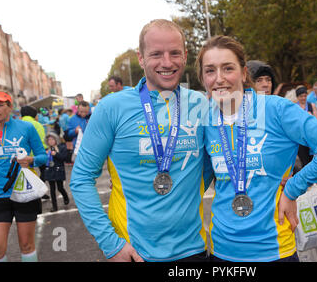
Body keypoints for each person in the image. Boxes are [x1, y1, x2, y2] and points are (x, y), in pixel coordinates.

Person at [196, 35, 317, 262]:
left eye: (228, 68)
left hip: (274, 250)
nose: (219, 79)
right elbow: (201, 177)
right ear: (202, 77)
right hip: (222, 251)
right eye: (210, 71)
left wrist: (294, 188)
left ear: (244, 72)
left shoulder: (276, 108)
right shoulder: (206, 119)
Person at [70, 19, 212, 262]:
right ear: (141, 58)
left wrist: (284, 185)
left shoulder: (201, 104)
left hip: (193, 251)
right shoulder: (111, 107)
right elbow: (81, 178)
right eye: (156, 54)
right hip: (133, 253)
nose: (167, 63)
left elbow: (214, 164)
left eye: (175, 53)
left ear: (185, 56)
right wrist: (111, 244)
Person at [0, 91, 47, 262]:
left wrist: (31, 160)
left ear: (10, 107)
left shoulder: (26, 128)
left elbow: (43, 156)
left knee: (26, 245)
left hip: (25, 192)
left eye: (0, 105)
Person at [43, 132, 69, 212]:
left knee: (60, 188)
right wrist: (45, 156)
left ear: (56, 139)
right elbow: (43, 162)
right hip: (50, 171)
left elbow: (64, 158)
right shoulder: (47, 150)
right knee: (52, 189)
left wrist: (56, 154)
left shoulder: (61, 147)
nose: (50, 141)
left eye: (52, 139)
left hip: (58, 171)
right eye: (49, 140)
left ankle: (65, 196)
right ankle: (54, 206)